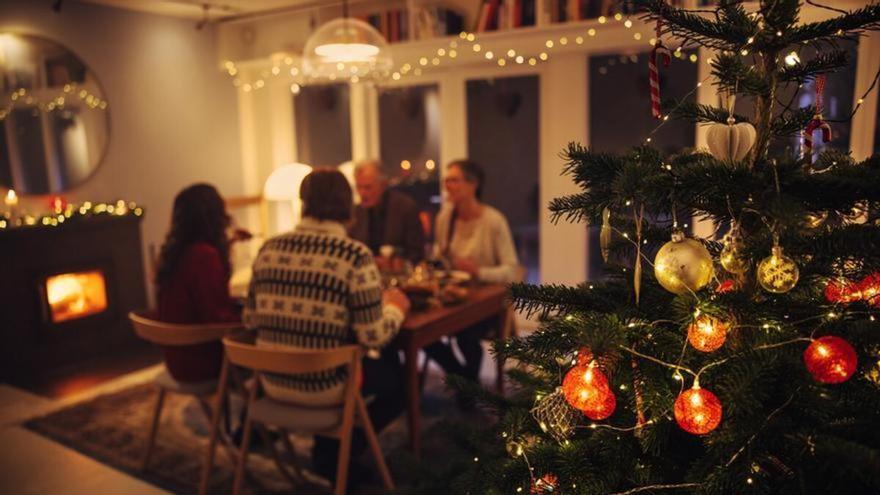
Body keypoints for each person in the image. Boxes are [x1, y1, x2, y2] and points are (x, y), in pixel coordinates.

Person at [243, 168, 411, 486]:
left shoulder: (268, 249)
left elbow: (249, 320)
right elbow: (372, 336)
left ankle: (329, 453)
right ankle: (336, 455)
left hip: (272, 382)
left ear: (303, 204)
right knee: (400, 385)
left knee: (371, 366)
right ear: (347, 207)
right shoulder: (354, 255)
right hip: (325, 387)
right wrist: (395, 309)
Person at [426, 159, 519, 383]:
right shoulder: (444, 219)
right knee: (425, 334)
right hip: (454, 299)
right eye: (446, 181)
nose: (448, 186)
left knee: (465, 336)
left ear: (473, 184)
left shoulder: (493, 221)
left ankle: (465, 385)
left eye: (454, 180)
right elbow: (441, 258)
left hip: (487, 304)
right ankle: (464, 380)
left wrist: (479, 272)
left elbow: (512, 271)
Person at [156, 183, 242, 383]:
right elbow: (218, 319)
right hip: (202, 362)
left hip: (177, 359)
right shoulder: (204, 256)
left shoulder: (175, 253)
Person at [348, 159, 426, 264]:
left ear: (383, 185)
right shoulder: (356, 213)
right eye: (359, 187)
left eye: (367, 187)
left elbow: (417, 253)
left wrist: (393, 263)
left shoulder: (405, 208)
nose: (362, 193)